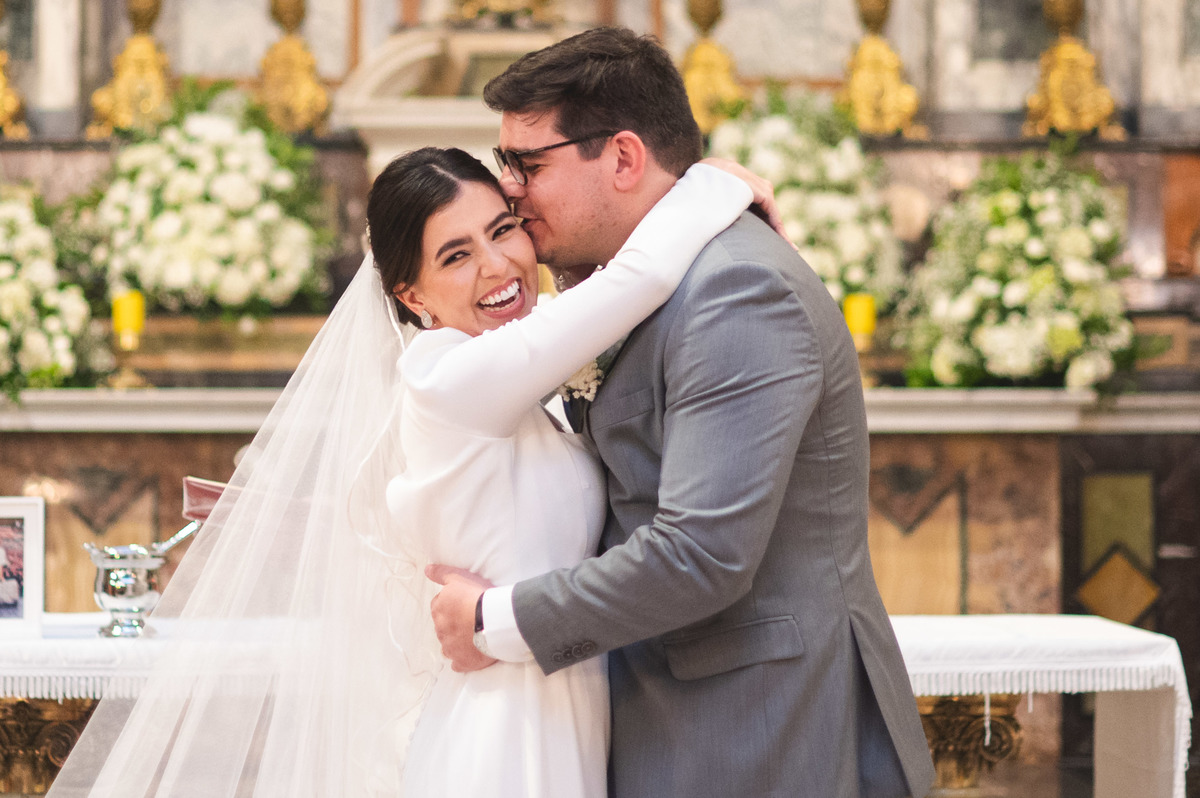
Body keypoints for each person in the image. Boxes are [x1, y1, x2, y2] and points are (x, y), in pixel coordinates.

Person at [47, 144, 755, 795]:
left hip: (564, 708)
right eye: (454, 256)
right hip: (501, 738)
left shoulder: (508, 378)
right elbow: (645, 276)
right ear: (411, 297)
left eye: (503, 229)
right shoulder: (451, 379)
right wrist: (717, 183)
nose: (497, 266)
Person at [426, 26, 937, 798]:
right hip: (676, 709)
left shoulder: (735, 292)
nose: (511, 192)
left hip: (757, 730)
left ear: (624, 158)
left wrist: (497, 621)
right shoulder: (638, 282)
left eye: (528, 165)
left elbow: (701, 555)